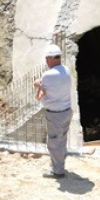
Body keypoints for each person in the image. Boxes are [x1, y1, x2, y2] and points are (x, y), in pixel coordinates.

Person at [34, 44, 72, 178]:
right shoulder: (66, 70)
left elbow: (39, 93)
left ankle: (58, 171)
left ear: (50, 59)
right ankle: (59, 164)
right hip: (67, 111)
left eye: (46, 59)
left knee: (54, 143)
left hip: (55, 114)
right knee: (61, 140)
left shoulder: (48, 75)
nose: (46, 62)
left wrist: (38, 84)